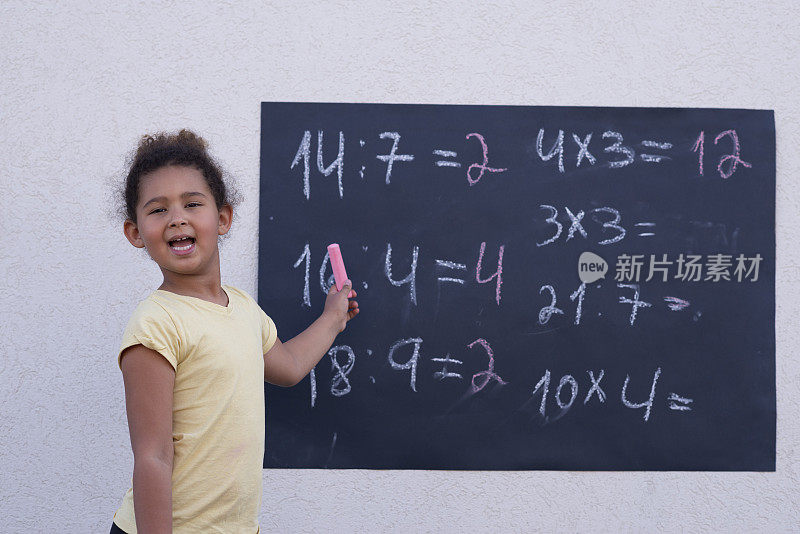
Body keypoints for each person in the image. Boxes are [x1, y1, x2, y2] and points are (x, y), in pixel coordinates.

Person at [110, 130, 359, 533]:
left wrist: (333, 318)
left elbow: (289, 365)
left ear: (222, 218)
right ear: (136, 233)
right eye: (157, 210)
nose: (177, 217)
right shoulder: (156, 324)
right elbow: (152, 456)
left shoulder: (242, 308)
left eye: (192, 203)